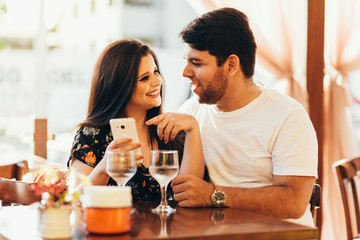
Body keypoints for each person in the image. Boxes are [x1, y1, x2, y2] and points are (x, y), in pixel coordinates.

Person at [171, 7, 318, 226]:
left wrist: (213, 194)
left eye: (197, 63)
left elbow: (294, 202)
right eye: (187, 61)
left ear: (231, 65)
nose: (185, 72)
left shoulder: (287, 116)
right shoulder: (191, 112)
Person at [67, 39, 204, 202]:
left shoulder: (168, 131)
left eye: (155, 72)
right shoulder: (91, 135)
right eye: (144, 78)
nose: (157, 81)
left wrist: (193, 128)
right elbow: (73, 201)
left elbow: (188, 195)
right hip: (114, 226)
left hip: (167, 227)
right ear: (120, 87)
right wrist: (105, 167)